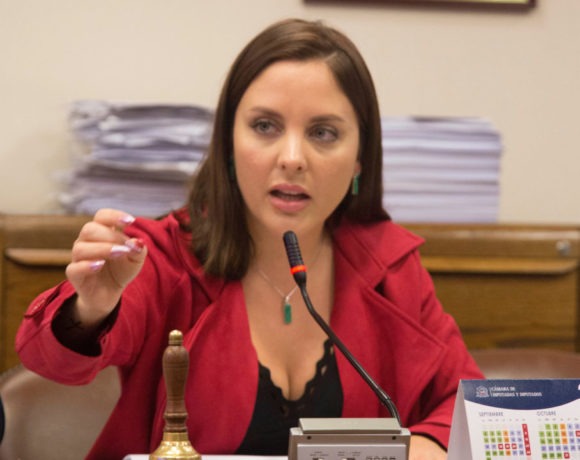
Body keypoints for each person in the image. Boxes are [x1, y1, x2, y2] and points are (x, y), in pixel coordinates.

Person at [16, 18, 483, 460]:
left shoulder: (391, 265)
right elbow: (51, 362)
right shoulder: (161, 254)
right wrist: (92, 308)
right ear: (228, 144)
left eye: (323, 132)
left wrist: (429, 443)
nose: (292, 157)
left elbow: (469, 406)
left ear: (359, 158)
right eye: (265, 126)